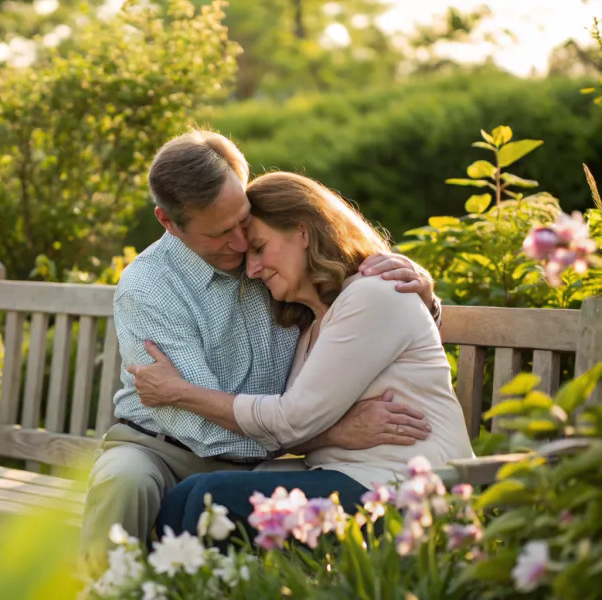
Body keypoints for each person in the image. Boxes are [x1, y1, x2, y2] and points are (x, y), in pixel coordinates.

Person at [79, 130, 442, 575]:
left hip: (275, 452)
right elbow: (197, 424)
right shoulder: (150, 288)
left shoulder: (278, 257)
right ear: (169, 223)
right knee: (124, 482)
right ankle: (105, 588)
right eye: (220, 233)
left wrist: (421, 293)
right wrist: (329, 433)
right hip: (166, 445)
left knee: (210, 504)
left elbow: (361, 306)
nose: (238, 245)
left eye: (243, 223)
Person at [128, 171, 474, 541]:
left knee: (212, 500)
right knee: (186, 496)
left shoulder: (372, 295)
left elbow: (290, 420)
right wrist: (337, 433)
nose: (251, 269)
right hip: (346, 480)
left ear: (302, 231)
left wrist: (178, 392)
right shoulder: (312, 323)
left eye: (259, 248)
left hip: (411, 492)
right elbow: (294, 429)